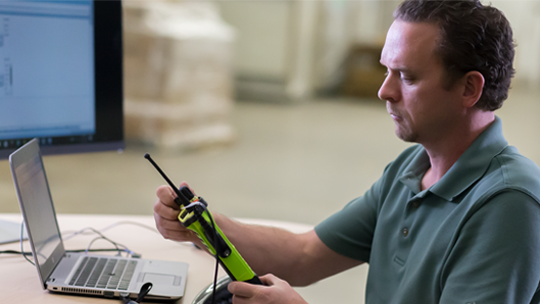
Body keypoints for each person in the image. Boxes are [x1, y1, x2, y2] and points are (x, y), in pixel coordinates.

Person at [154, 0, 540, 303]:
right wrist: (202, 225)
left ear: (469, 89)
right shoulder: (411, 169)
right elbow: (305, 254)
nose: (384, 91)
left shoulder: (509, 204)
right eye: (386, 71)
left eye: (406, 76)